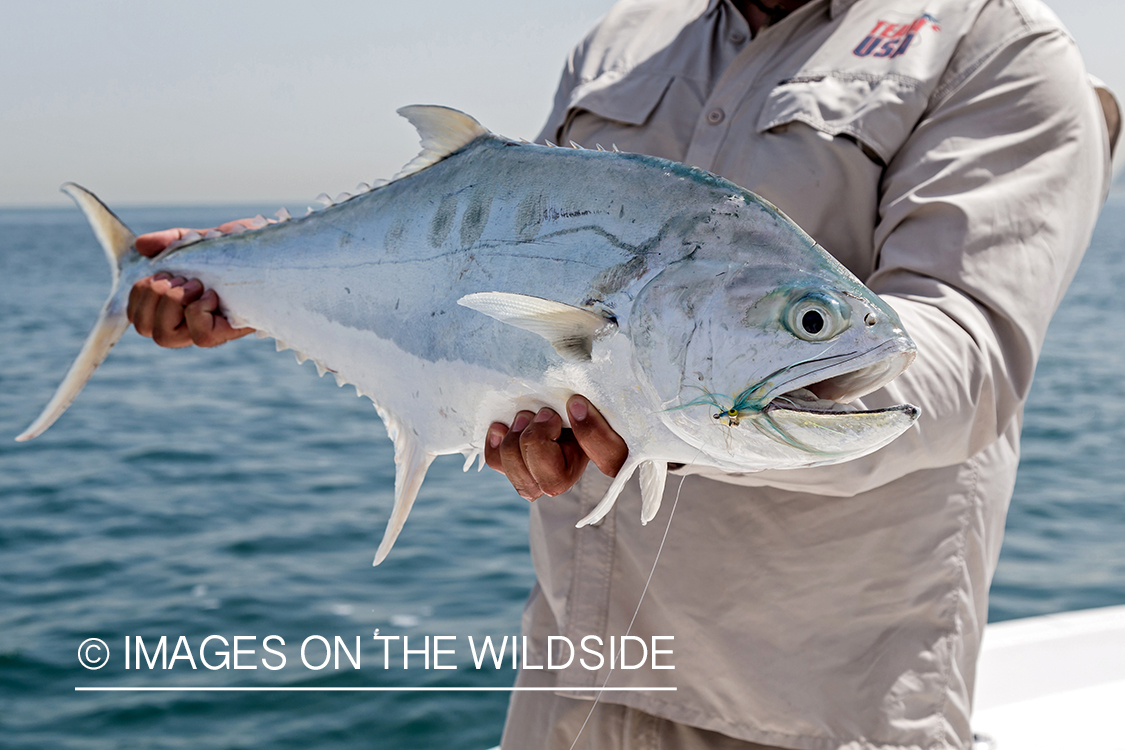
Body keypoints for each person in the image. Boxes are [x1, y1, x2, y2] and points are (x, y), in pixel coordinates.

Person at [128, 0, 1120, 747]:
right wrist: (251, 283)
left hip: (822, 700)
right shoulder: (621, 42)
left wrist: (682, 414)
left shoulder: (1000, 49)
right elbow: (484, 271)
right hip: (578, 674)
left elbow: (968, 358)